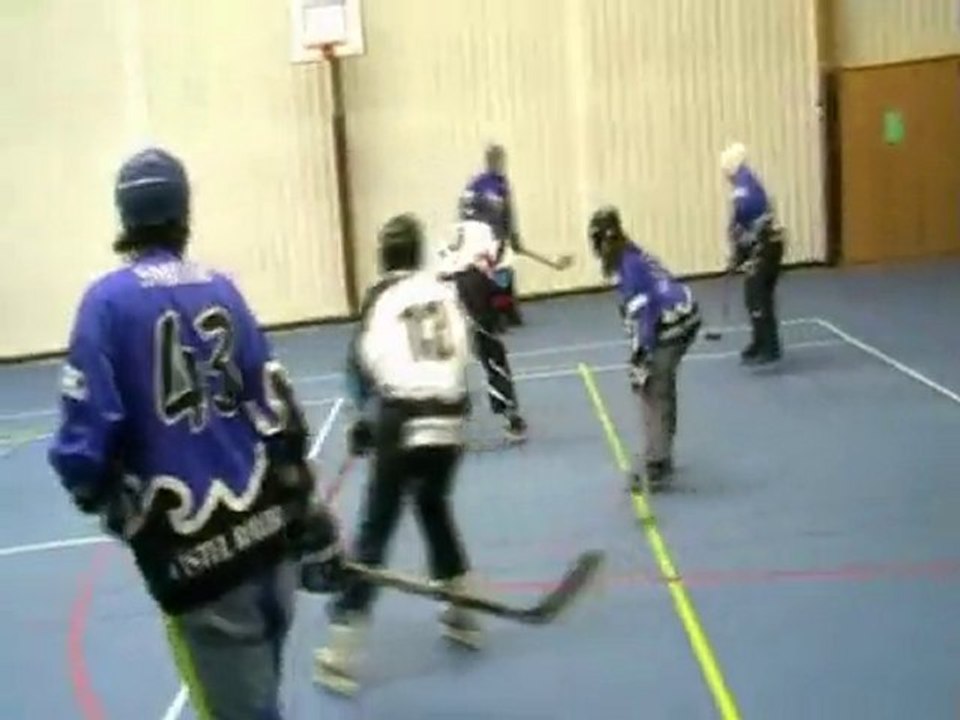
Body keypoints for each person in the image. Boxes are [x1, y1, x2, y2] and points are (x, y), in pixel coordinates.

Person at [47, 147, 345, 720]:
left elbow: (86, 438)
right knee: (262, 698)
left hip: (198, 560)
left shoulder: (107, 302)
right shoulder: (224, 289)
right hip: (268, 540)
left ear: (125, 215)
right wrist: (309, 514)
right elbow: (279, 413)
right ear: (185, 209)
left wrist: (102, 495)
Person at [315, 213, 482, 696]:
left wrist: (364, 422)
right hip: (450, 418)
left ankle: (341, 651)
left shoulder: (379, 298)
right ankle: (462, 609)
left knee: (375, 528)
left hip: (404, 419)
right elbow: (461, 352)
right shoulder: (442, 290)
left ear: (382, 254)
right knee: (433, 506)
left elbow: (362, 366)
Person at [588, 206, 701, 493]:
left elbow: (645, 318)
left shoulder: (629, 268)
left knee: (653, 388)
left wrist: (640, 357)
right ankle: (662, 452)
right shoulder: (630, 252)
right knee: (662, 385)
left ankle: (657, 463)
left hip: (674, 323)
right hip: (684, 314)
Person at [438, 196, 528, 443]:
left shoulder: (449, 233)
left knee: (451, 359)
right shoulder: (487, 232)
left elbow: (440, 269)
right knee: (492, 354)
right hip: (473, 288)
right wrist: (501, 309)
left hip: (446, 293)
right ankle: (511, 417)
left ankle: (450, 419)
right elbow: (500, 276)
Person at [720, 142, 786, 364]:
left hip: (766, 246)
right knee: (759, 296)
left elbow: (742, 223)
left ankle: (769, 347)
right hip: (765, 244)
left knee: (757, 295)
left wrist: (738, 252)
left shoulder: (744, 189)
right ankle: (761, 341)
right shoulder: (747, 181)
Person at [461, 143, 524, 328]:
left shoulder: (474, 183)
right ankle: (502, 314)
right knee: (501, 273)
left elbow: (464, 211)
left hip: (478, 238)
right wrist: (511, 236)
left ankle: (499, 313)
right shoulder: (498, 184)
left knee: (491, 274)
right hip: (490, 237)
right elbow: (505, 213)